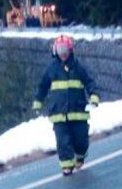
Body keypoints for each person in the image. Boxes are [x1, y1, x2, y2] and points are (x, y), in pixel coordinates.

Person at [33, 35, 100, 176]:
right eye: (60, 49)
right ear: (55, 50)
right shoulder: (52, 69)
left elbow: (89, 82)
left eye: (65, 49)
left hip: (78, 112)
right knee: (62, 141)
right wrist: (38, 103)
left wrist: (94, 97)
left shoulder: (78, 67)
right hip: (59, 114)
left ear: (70, 50)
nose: (62, 52)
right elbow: (43, 86)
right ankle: (67, 167)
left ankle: (80, 155)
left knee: (81, 139)